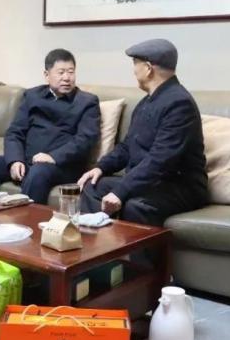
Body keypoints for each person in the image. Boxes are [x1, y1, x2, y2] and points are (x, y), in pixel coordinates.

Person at [78, 39, 208, 226]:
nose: (133, 71)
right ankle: (99, 243)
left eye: (135, 64)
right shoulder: (146, 102)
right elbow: (127, 147)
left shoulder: (179, 104)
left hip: (178, 187)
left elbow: (160, 160)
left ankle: (124, 244)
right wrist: (101, 168)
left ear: (148, 68)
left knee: (135, 206)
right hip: (151, 183)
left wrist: (121, 191)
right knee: (92, 186)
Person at [0, 49, 100, 204]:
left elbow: (85, 140)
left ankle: (25, 219)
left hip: (62, 165)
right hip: (28, 161)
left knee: (38, 172)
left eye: (71, 72)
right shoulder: (32, 95)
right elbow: (14, 132)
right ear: (47, 75)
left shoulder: (87, 102)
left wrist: (53, 157)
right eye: (61, 72)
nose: (66, 78)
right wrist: (15, 160)